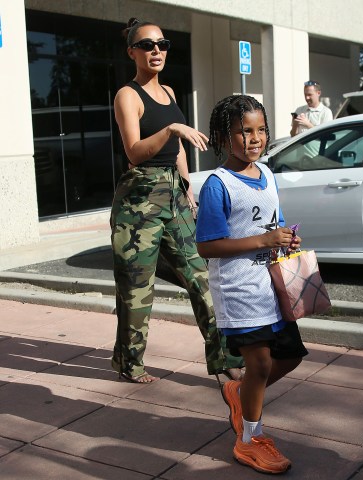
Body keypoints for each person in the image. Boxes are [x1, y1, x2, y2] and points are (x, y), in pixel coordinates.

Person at [110, 18, 244, 384]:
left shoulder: (169, 92)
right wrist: (171, 129)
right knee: (137, 289)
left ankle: (225, 357)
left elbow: (178, 149)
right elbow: (136, 152)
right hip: (138, 200)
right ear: (132, 52)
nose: (156, 51)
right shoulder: (128, 95)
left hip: (174, 194)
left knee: (204, 278)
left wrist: (188, 188)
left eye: (162, 44)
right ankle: (130, 364)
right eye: (148, 45)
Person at [195, 95, 308, 474]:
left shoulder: (268, 175)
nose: (255, 138)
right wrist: (263, 241)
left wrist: (284, 238)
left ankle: (238, 392)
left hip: (272, 287)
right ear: (224, 137)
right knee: (258, 363)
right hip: (239, 290)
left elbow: (270, 223)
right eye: (245, 131)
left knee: (289, 355)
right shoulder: (218, 184)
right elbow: (206, 245)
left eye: (261, 130)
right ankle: (249, 441)